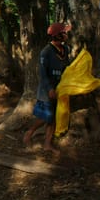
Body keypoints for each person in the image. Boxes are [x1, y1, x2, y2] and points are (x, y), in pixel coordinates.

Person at [23, 22, 72, 155]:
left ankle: (47, 144)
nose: (66, 35)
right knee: (46, 117)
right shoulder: (46, 52)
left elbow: (67, 67)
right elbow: (43, 74)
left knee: (53, 118)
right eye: (64, 32)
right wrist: (50, 89)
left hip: (60, 89)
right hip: (47, 90)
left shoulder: (65, 49)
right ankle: (30, 132)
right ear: (57, 35)